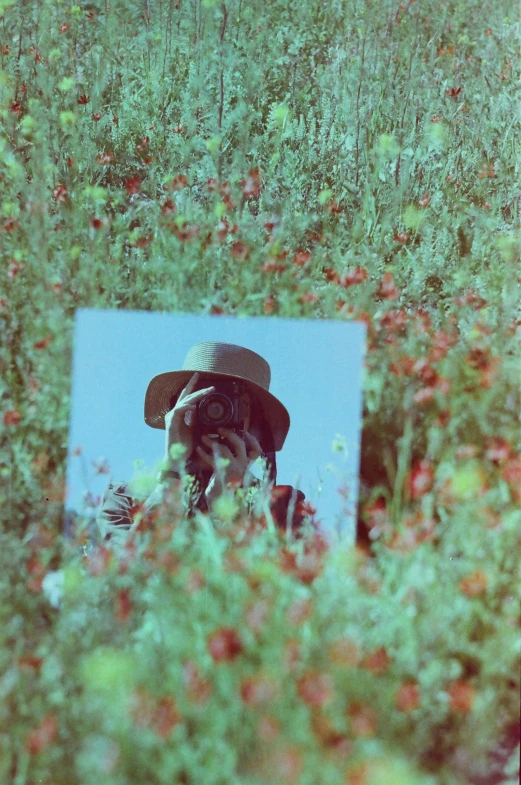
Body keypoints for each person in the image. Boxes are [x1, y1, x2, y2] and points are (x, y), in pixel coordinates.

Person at [96, 341, 311, 544]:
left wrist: (230, 507)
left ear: (253, 425)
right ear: (178, 412)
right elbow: (131, 574)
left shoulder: (285, 509)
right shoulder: (124, 499)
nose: (216, 414)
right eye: (202, 402)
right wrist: (172, 474)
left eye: (232, 407)